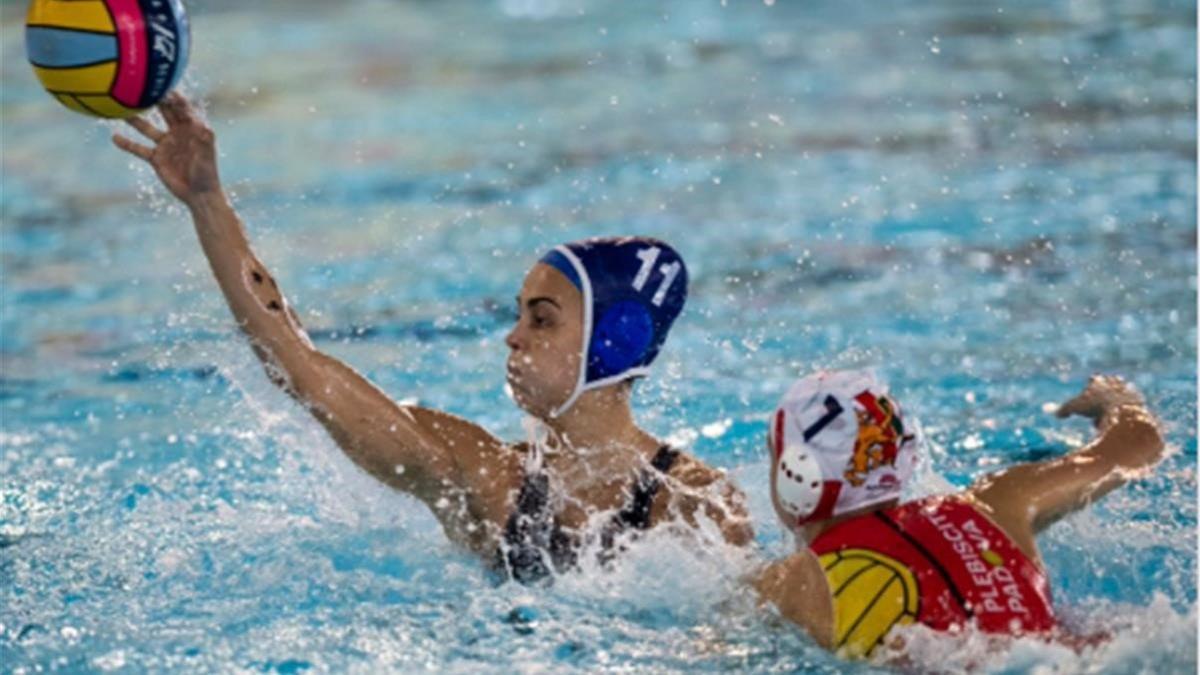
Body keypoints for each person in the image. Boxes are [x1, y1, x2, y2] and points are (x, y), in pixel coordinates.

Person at [111, 92, 752, 584]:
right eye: (520, 315)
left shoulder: (693, 504)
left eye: (542, 318)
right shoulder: (479, 474)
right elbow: (301, 368)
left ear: (615, 340)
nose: (512, 337)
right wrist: (207, 202)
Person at [753, 370, 1165, 659]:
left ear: (797, 475)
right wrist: (1118, 398)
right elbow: (1136, 448)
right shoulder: (996, 503)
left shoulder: (797, 585)